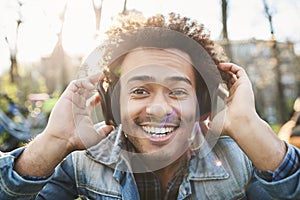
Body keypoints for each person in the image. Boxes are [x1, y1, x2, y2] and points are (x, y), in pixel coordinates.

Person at [0, 13, 299, 200]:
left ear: (203, 103)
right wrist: (53, 142)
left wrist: (251, 129)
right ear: (114, 103)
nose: (158, 108)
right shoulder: (82, 160)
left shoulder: (241, 159)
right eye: (140, 90)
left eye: (178, 91)